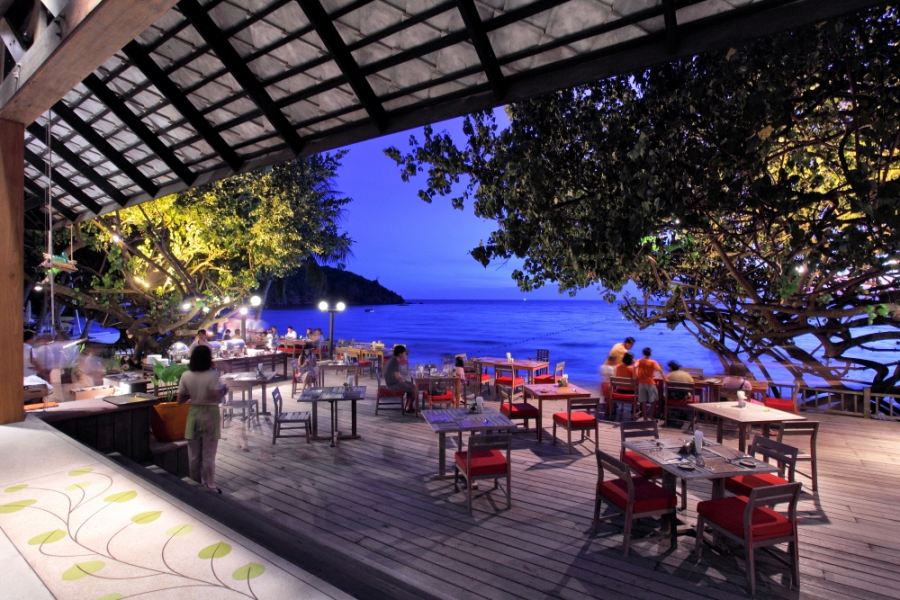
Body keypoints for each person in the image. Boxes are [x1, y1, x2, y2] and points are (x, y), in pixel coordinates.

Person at [177, 345, 224, 494]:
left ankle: (196, 485)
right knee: (209, 454)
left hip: (194, 414)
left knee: (194, 455)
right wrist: (223, 391)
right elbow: (215, 396)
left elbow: (180, 400)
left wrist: (194, 393)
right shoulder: (213, 375)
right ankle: (210, 486)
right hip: (210, 414)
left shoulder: (186, 375)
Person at [634, 347, 664, 420]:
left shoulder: (639, 361)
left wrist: (634, 376)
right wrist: (664, 379)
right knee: (654, 400)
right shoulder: (653, 362)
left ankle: (645, 417)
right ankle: (651, 416)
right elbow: (659, 370)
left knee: (643, 401)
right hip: (650, 382)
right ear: (650, 354)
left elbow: (634, 367)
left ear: (643, 354)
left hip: (641, 383)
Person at [385, 344, 417, 413]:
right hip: (393, 385)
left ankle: (407, 406)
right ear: (400, 353)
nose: (405, 354)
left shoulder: (393, 360)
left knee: (413, 386)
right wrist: (405, 383)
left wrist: (406, 382)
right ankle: (408, 407)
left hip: (392, 382)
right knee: (414, 390)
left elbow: (398, 376)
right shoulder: (395, 362)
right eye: (404, 352)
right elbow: (398, 377)